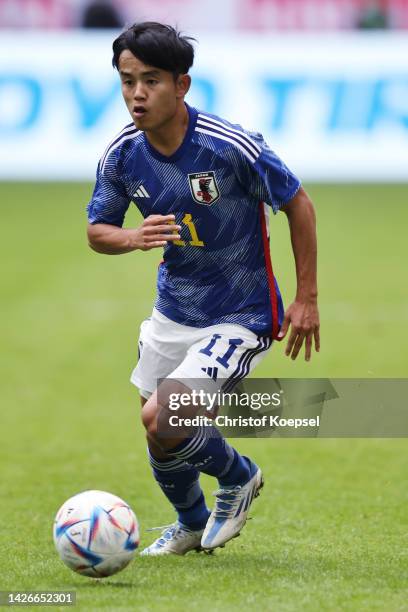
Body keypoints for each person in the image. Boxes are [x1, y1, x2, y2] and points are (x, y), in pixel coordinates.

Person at [87, 22, 320, 556]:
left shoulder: (228, 146)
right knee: (160, 433)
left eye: (150, 80)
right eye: (127, 81)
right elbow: (97, 230)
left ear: (182, 85)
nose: (136, 94)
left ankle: (239, 477)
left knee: (161, 415)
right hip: (173, 309)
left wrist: (306, 298)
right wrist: (131, 235)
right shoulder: (123, 155)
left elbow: (297, 203)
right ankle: (190, 525)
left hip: (242, 312)